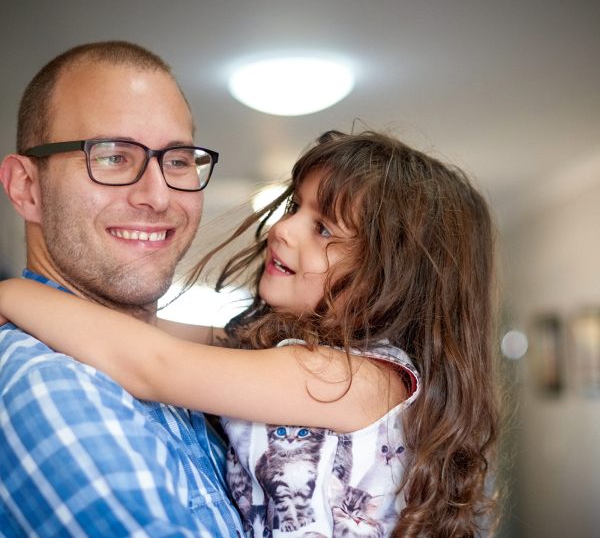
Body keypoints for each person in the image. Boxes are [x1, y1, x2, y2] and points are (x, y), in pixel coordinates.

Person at [1, 129, 500, 537]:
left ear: (392, 277)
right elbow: (146, 332)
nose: (283, 230)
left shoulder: (351, 379)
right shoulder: (292, 355)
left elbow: (155, 364)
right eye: (295, 209)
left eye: (324, 229)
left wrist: (9, 296)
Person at [0, 41, 244, 536]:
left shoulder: (196, 381)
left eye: (177, 160)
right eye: (112, 156)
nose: (157, 196)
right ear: (27, 188)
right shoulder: (45, 385)